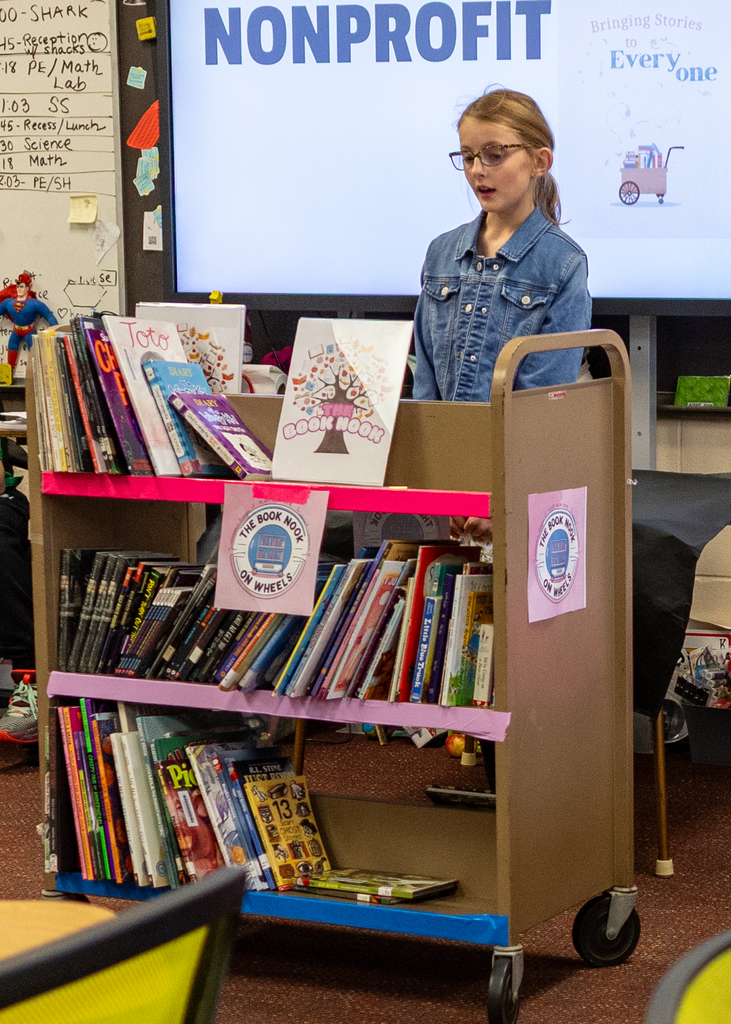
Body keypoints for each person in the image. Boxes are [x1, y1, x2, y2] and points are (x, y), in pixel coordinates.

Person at [413, 88, 592, 542]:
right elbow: (426, 384)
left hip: (516, 486)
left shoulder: (562, 263)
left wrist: (504, 495)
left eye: (494, 154)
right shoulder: (441, 253)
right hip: (446, 487)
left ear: (539, 161)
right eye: (468, 156)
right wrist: (437, 490)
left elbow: (544, 399)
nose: (478, 170)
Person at [0, 272, 57, 376]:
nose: (19, 289)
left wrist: (56, 330)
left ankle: (37, 374)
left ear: (27, 288)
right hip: (16, 331)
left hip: (29, 331)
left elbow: (48, 315)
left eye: (22, 286)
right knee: (11, 348)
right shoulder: (9, 302)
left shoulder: (34, 303)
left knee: (35, 352)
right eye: (18, 286)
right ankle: (9, 374)